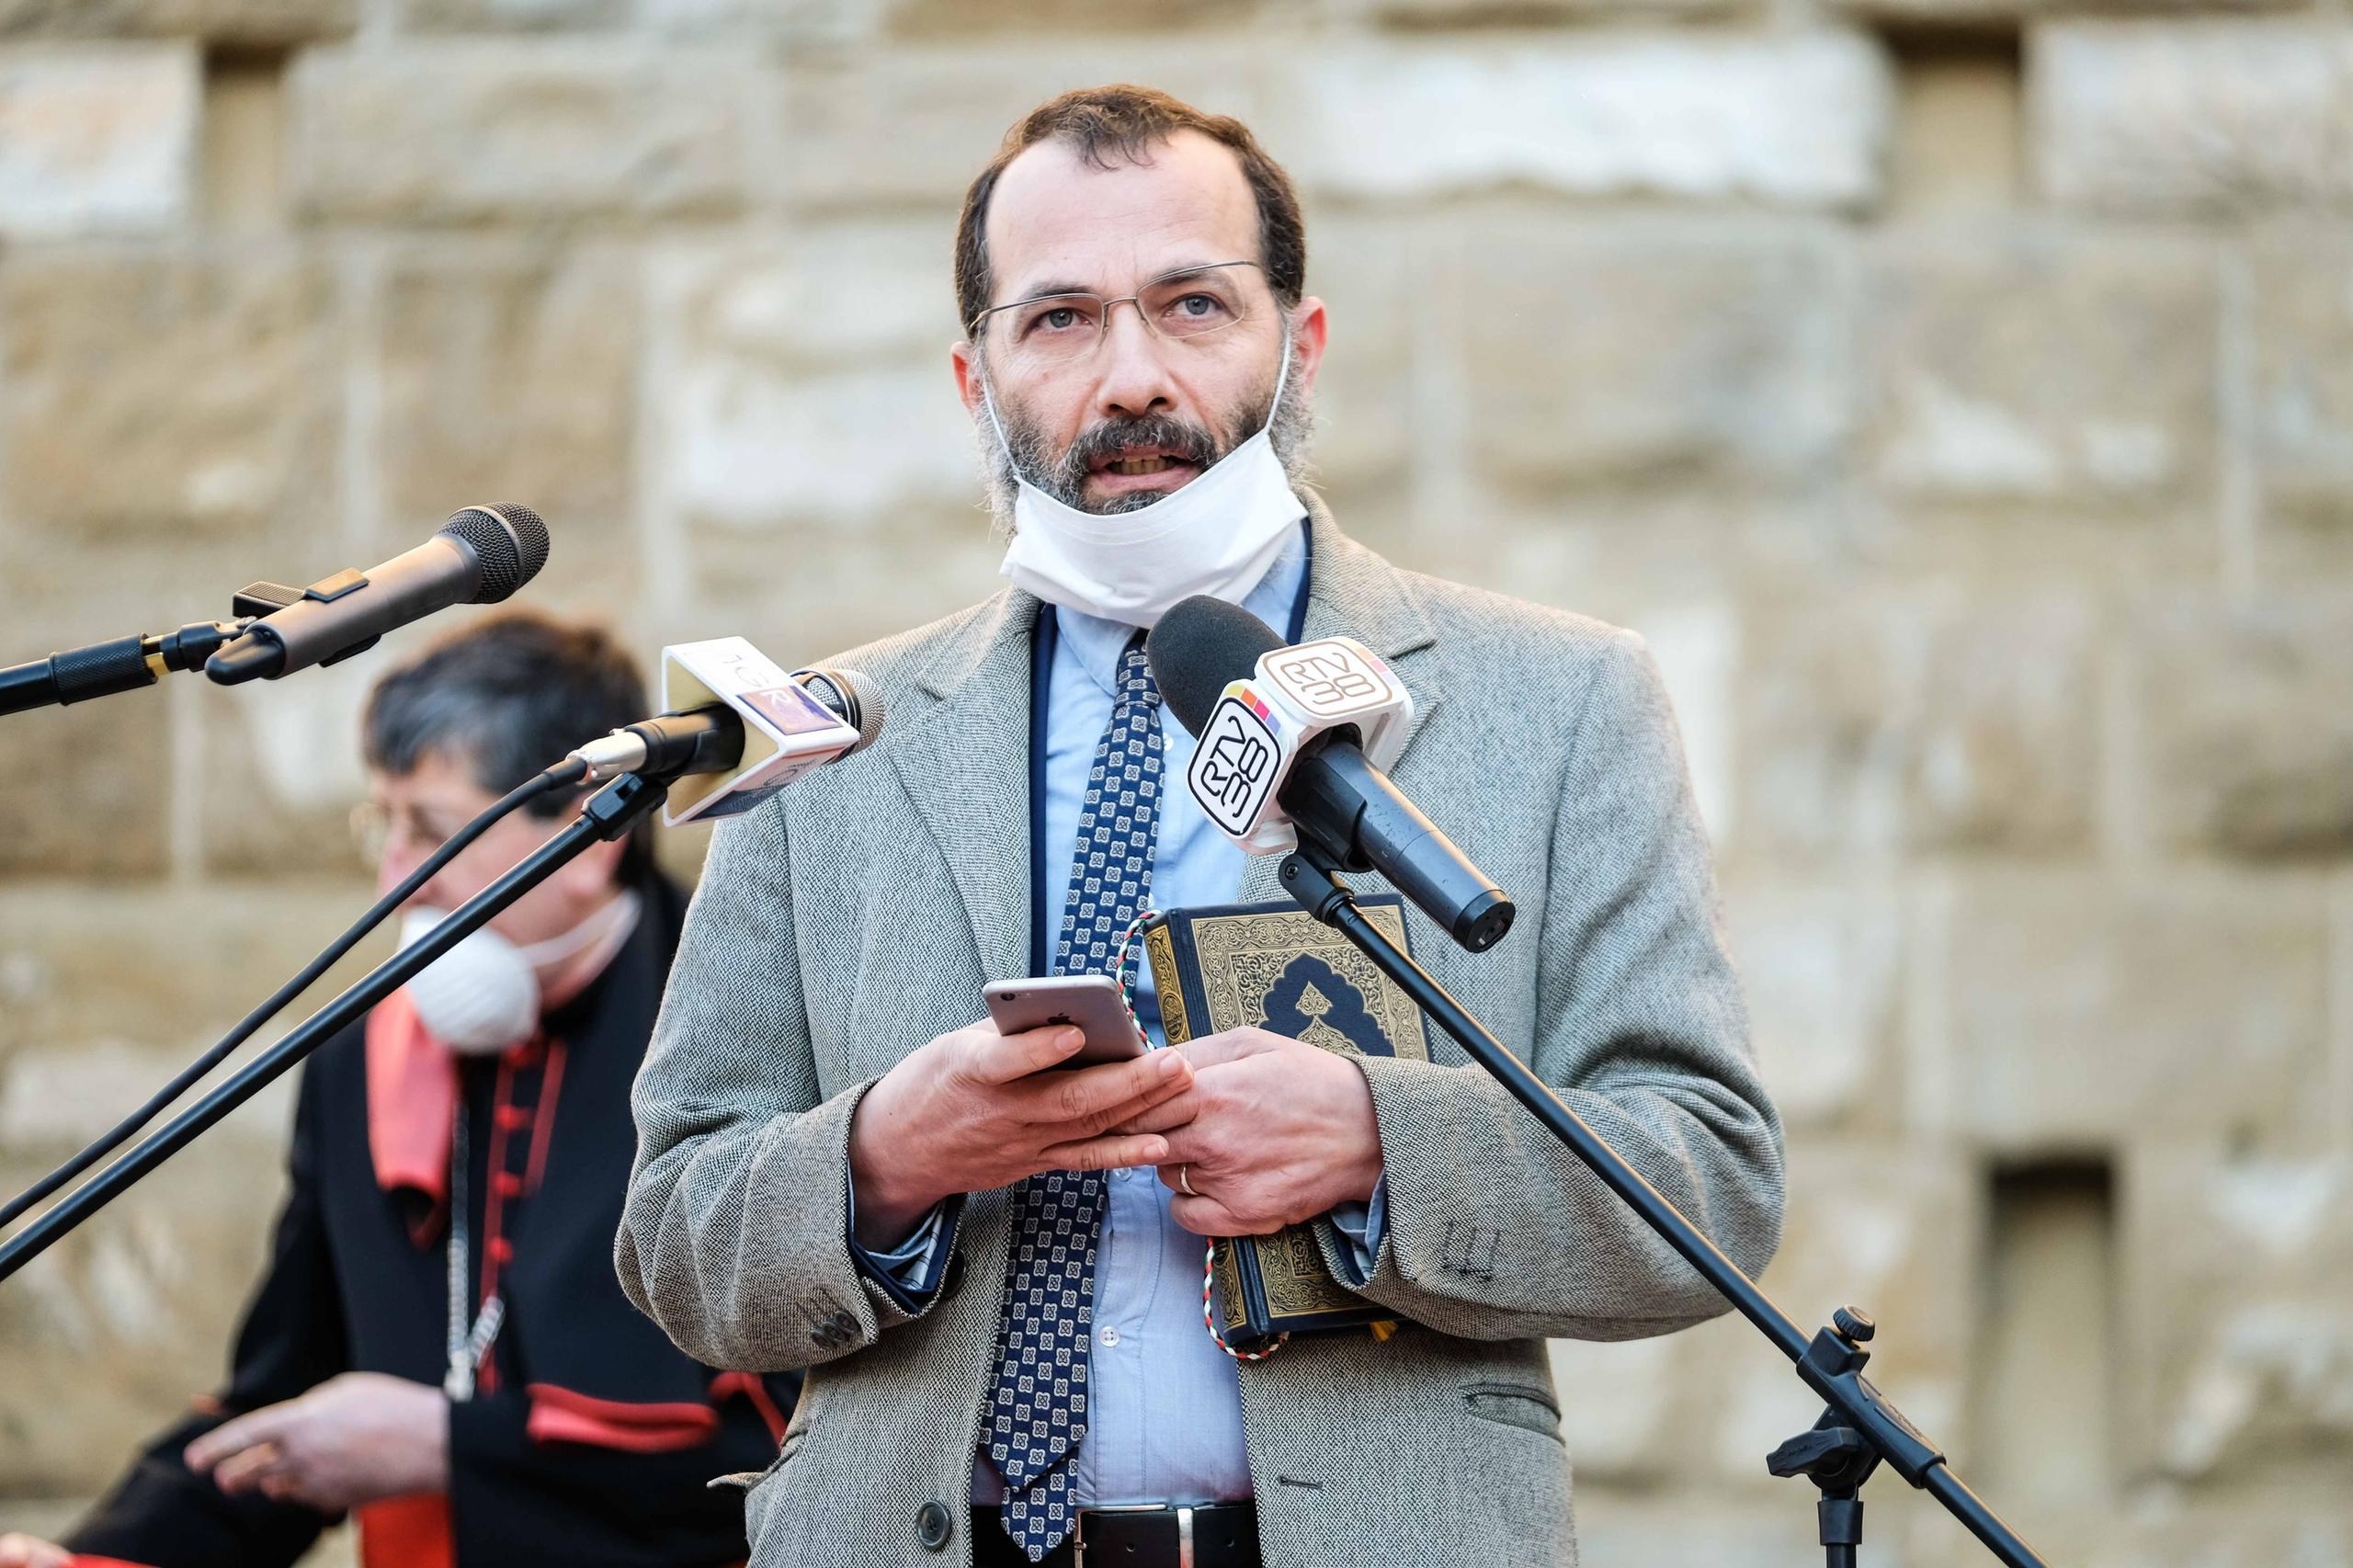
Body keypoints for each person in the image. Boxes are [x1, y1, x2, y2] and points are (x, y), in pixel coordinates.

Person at [618, 85, 1785, 1568]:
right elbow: (671, 1236)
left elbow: (1708, 1184)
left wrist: (1378, 1141)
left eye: (1192, 305)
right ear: (976, 382)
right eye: (1058, 320)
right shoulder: (834, 732)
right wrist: (884, 1160)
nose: (1131, 379)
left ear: (1298, 344)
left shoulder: (1556, 701)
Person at [2, 612, 793, 1568]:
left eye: (429, 829)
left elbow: (788, 1452)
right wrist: (94, 1558)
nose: (394, 879)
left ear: (590, 838)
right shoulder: (359, 1058)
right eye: (383, 825)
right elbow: (284, 1405)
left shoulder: (752, 1037)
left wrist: (445, 1444)